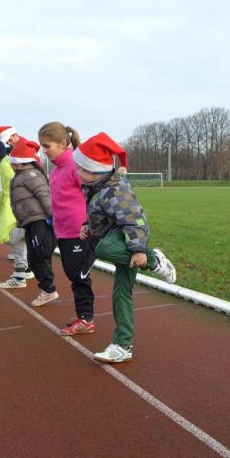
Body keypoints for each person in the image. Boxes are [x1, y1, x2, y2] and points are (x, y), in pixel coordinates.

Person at [73, 132, 176, 363]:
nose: (77, 172)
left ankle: (154, 259)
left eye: (81, 168)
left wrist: (140, 251)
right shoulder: (95, 187)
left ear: (96, 169)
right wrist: (87, 226)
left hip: (128, 240)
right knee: (121, 294)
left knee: (102, 250)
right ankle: (123, 346)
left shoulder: (116, 189)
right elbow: (100, 214)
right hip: (120, 242)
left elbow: (135, 220)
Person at [38, 122, 98, 335]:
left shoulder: (74, 166)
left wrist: (89, 224)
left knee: (79, 276)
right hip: (63, 231)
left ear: (63, 143)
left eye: (47, 146)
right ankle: (84, 315)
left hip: (78, 232)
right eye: (42, 146)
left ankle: (86, 319)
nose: (44, 151)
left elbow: (93, 195)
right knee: (73, 275)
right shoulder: (56, 170)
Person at [8, 139, 58, 306]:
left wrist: (54, 217)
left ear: (17, 162)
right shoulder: (21, 175)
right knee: (33, 257)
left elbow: (44, 195)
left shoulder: (31, 175)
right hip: (29, 221)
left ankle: (49, 290)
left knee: (39, 255)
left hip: (38, 221)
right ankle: (47, 289)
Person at [0, 138, 34, 288]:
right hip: (16, 208)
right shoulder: (2, 165)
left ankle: (20, 276)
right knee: (20, 242)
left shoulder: (6, 167)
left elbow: (12, 190)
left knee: (13, 238)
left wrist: (7, 214)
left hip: (15, 209)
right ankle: (24, 271)